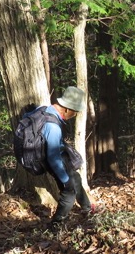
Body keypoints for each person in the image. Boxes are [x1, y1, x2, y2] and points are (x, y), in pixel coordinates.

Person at [40, 86, 97, 230]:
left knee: (76, 178)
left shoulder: (48, 110)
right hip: (54, 160)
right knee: (69, 191)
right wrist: (65, 180)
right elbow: (53, 157)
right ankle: (55, 226)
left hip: (60, 157)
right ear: (66, 108)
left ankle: (87, 207)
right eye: (75, 111)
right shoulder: (52, 126)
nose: (76, 114)